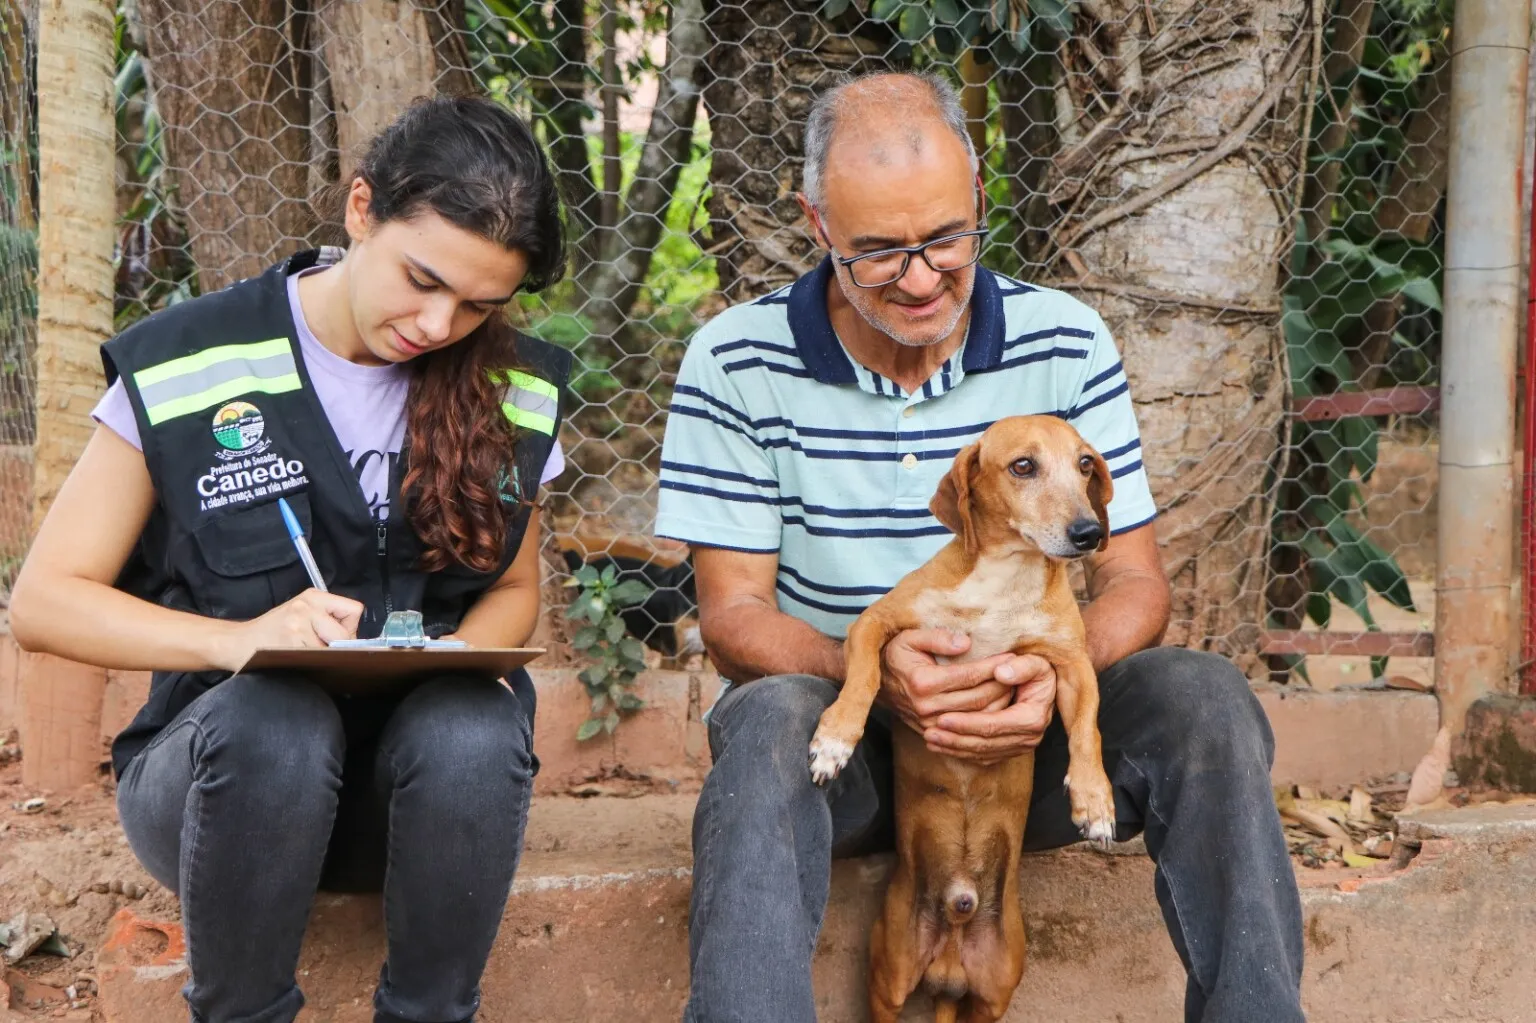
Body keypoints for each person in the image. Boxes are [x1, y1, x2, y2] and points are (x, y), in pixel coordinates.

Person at [655, 72, 1304, 1023]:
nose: (919, 278)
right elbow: (732, 616)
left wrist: (1049, 678)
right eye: (877, 251)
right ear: (817, 223)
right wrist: (874, 672)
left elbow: (1133, 580)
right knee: (762, 726)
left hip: (1033, 753)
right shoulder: (736, 360)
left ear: (979, 202)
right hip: (861, 753)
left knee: (1205, 694)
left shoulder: (1065, 339)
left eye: (946, 240)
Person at [9, 95, 570, 1023]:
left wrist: (463, 659)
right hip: (222, 790)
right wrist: (242, 642)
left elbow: (512, 592)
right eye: (420, 278)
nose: (438, 324)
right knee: (278, 716)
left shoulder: (511, 389)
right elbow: (43, 602)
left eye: (479, 304)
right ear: (361, 210)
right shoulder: (194, 361)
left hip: (409, 804)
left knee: (476, 721)